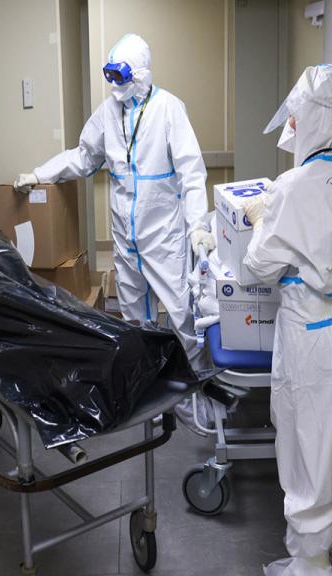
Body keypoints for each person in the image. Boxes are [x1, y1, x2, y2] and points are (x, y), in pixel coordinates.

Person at [242, 65, 332, 576]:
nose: (291, 126)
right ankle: (327, 535)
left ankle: (312, 566)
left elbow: (257, 266)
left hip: (312, 338)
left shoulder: (293, 187)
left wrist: (260, 217)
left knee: (308, 448)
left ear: (314, 118)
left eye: (296, 116)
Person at [13, 33, 213, 358]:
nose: (115, 85)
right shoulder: (108, 111)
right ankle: (145, 382)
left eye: (121, 77)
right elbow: (83, 156)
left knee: (182, 316)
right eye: (111, 77)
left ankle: (194, 388)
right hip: (125, 238)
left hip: (164, 237)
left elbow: (191, 173)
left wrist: (198, 226)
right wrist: (40, 174)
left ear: (141, 74)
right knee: (133, 320)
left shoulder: (168, 109)